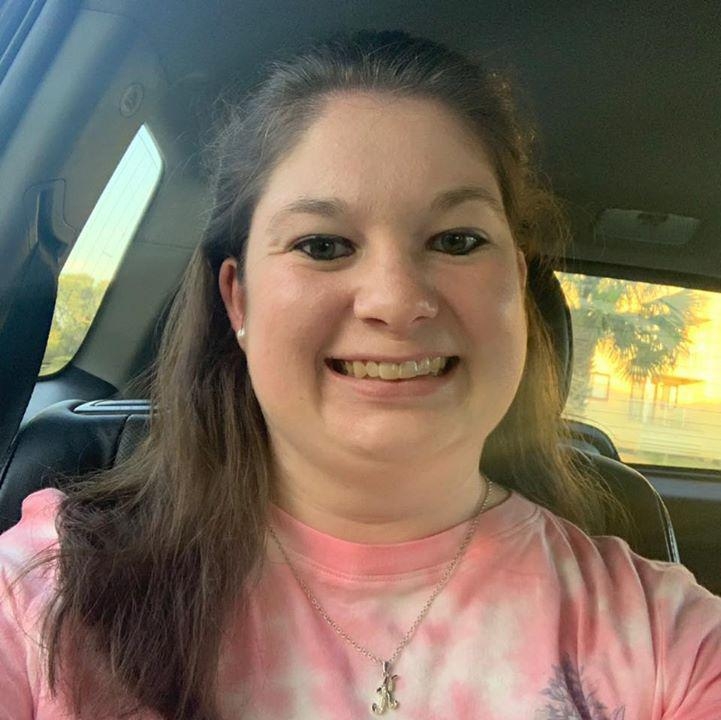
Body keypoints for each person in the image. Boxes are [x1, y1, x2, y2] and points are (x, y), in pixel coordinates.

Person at [1, 30, 720, 720]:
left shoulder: (670, 640)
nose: (396, 300)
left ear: (518, 284)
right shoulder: (43, 597)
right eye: (322, 245)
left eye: (457, 240)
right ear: (238, 300)